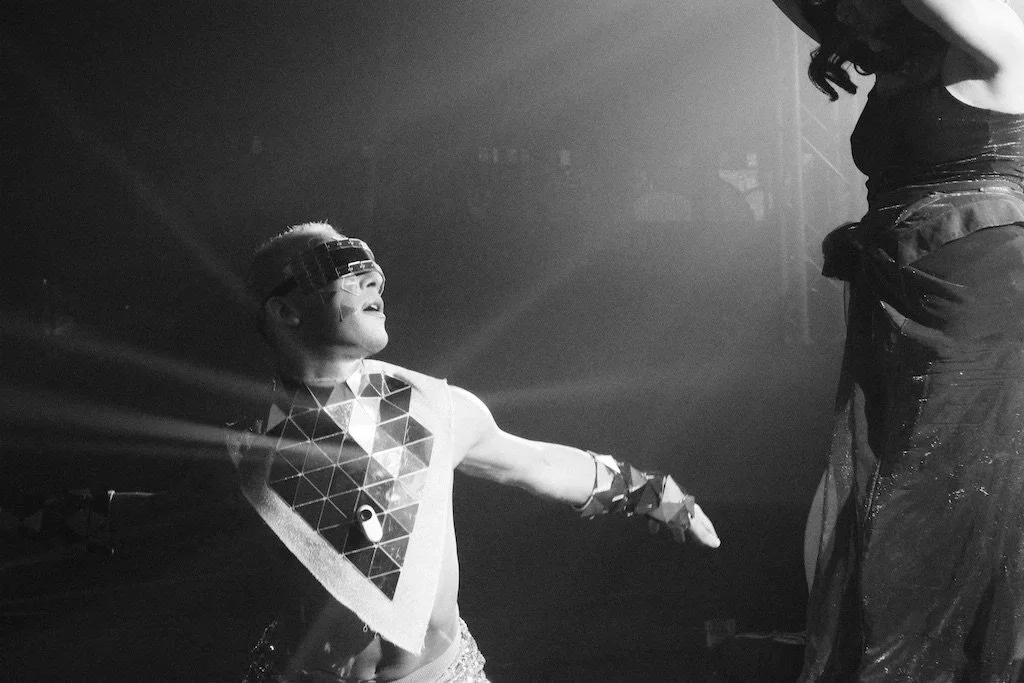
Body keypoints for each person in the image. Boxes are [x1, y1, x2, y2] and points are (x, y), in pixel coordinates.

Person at [231, 222, 721, 682]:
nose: (373, 281)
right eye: (339, 267)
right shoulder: (238, 446)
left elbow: (538, 464)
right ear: (285, 311)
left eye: (370, 268)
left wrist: (652, 492)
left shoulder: (433, 408)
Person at [770, 0, 1024, 680]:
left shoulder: (1004, 36)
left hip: (974, 289)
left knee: (946, 480)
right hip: (896, 285)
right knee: (870, 473)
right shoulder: (899, 49)